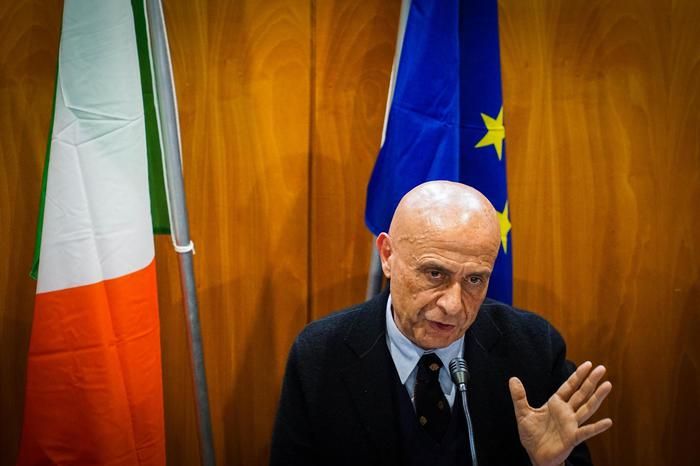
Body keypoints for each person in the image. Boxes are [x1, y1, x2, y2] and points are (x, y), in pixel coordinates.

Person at [270, 181, 612, 466]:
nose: (453, 305)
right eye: (435, 274)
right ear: (387, 255)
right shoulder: (320, 355)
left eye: (475, 280)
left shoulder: (534, 348)